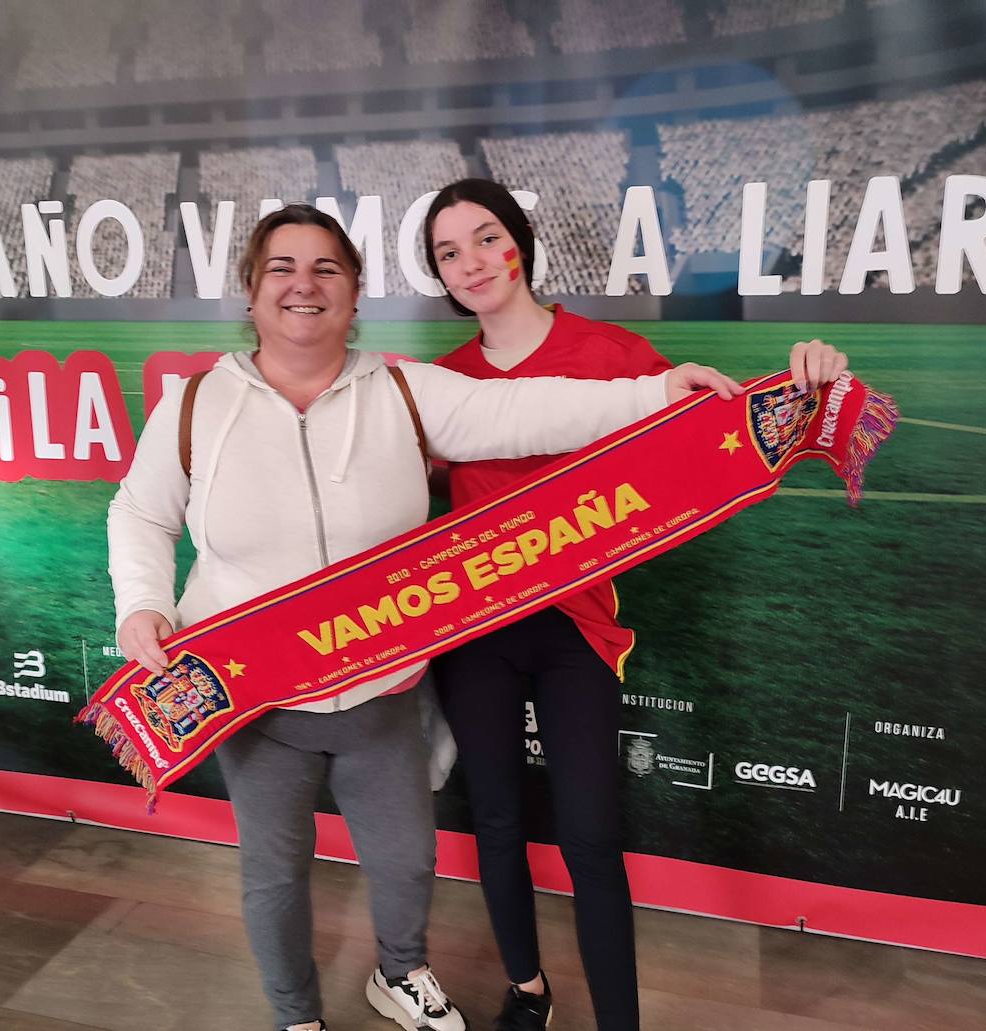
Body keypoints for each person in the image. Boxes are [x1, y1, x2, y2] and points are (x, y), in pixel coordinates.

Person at [106, 203, 759, 1031]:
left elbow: (531, 410)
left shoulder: (407, 390)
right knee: (274, 875)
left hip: (383, 693)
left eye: (326, 270)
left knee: (408, 860)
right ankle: (296, 1015)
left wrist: (657, 389)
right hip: (255, 697)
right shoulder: (196, 405)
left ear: (354, 293)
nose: (303, 286)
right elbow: (140, 513)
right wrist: (143, 603)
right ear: (250, 288)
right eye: (282, 268)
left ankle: (399, 973)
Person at [423, 178, 847, 1031]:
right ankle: (528, 991)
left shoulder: (612, 352)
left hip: (578, 627)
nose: (470, 262)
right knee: (497, 819)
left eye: (485, 237)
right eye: (447, 252)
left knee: (588, 835)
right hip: (474, 633)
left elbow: (715, 433)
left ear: (521, 243)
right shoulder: (440, 383)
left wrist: (812, 377)